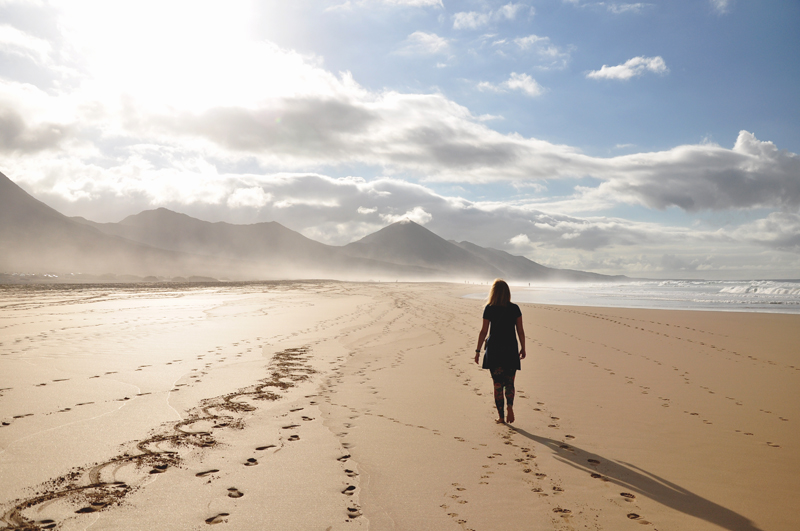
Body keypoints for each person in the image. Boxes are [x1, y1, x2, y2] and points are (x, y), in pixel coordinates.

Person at [474, 279, 526, 424]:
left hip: (495, 350)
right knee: (509, 382)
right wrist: (523, 347)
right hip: (510, 349)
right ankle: (510, 406)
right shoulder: (515, 308)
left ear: (493, 292)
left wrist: (478, 351)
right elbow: (520, 331)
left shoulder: (489, 308)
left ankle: (501, 417)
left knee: (497, 384)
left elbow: (484, 331)